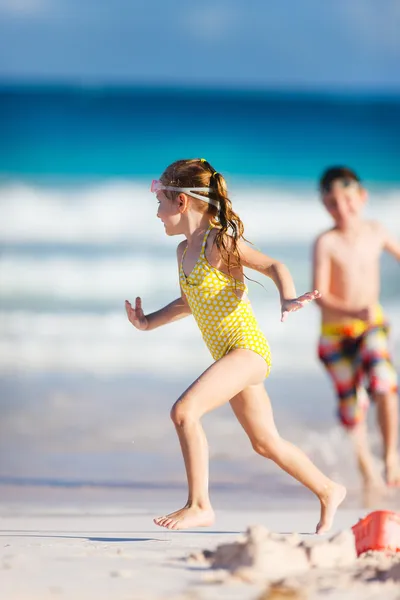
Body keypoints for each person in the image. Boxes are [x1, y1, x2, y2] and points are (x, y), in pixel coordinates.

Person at [125, 158, 346, 533]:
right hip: (230, 356)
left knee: (184, 412)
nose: (157, 212)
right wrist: (147, 322)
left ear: (181, 202)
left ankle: (199, 505)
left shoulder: (219, 241)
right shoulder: (182, 252)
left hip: (247, 350)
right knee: (265, 441)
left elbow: (274, 266)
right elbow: (187, 303)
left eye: (160, 200)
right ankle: (329, 489)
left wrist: (287, 298)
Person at [312, 166, 400, 489]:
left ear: (362, 197)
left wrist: (365, 313)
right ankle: (366, 466)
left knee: (384, 382)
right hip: (335, 338)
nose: (342, 209)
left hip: (371, 326)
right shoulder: (326, 242)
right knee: (354, 408)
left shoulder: (376, 231)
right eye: (333, 203)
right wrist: (353, 309)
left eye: (348, 200)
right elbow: (320, 296)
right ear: (325, 206)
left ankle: (391, 456)